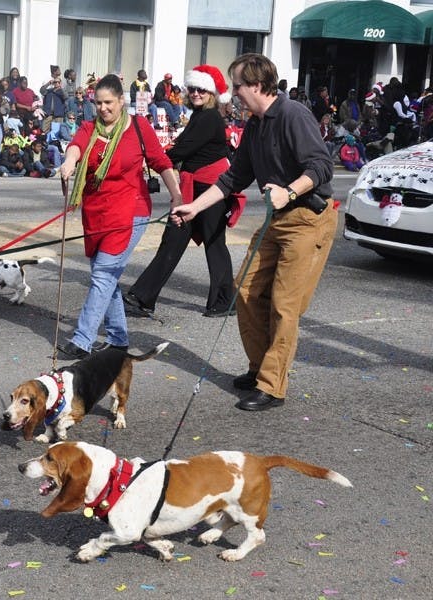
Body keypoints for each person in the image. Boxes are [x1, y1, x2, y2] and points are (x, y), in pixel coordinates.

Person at [170, 53, 337, 412]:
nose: (233, 93)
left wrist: (289, 191)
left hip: (308, 218)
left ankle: (272, 386)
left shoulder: (293, 115)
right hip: (279, 219)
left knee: (284, 304)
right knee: (244, 290)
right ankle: (261, 368)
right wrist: (194, 207)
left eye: (238, 86)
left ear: (258, 86)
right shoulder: (256, 125)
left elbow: (322, 167)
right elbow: (234, 177)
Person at [56, 74, 181, 359]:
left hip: (130, 210)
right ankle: (118, 339)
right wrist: (68, 163)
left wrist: (176, 194)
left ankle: (82, 339)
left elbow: (161, 162)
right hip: (97, 213)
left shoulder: (138, 127)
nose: (103, 108)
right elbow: (76, 146)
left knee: (102, 274)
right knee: (106, 275)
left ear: (121, 101)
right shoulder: (90, 127)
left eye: (108, 102)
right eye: (98, 103)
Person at [124, 65, 241, 319]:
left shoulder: (209, 118)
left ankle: (225, 301)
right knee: (174, 240)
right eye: (193, 88)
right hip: (193, 185)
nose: (196, 93)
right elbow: (182, 149)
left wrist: (153, 157)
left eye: (202, 89)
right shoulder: (199, 115)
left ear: (211, 93)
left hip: (211, 187)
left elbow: (182, 150)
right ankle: (143, 297)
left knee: (214, 242)